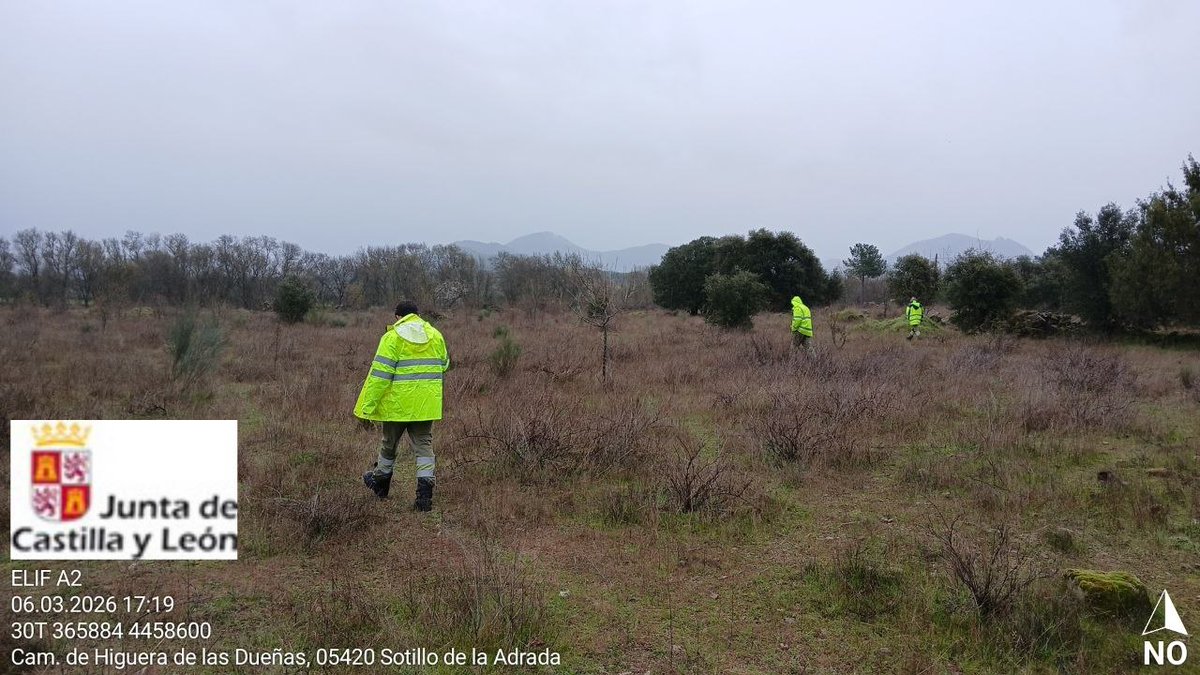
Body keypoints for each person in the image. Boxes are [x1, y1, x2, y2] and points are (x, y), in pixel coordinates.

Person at [354, 300, 450, 511]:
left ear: (398, 317)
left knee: (389, 444)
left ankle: (380, 486)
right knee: (424, 447)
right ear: (417, 314)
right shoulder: (435, 335)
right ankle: (424, 497)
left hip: (396, 405)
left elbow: (379, 377)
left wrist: (367, 407)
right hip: (425, 405)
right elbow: (444, 364)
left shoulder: (391, 337)